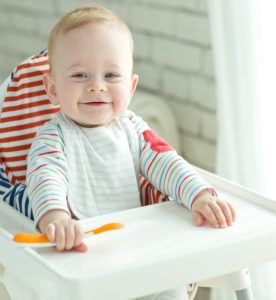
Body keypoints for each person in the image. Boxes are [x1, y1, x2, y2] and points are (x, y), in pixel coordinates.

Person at [26, 5, 236, 299]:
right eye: (80, 75)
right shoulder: (53, 137)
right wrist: (56, 217)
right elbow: (45, 175)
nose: (96, 87)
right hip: (83, 254)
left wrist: (199, 194)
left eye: (111, 75)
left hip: (139, 251)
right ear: (52, 89)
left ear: (131, 85)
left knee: (171, 287)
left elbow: (166, 161)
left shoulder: (133, 130)